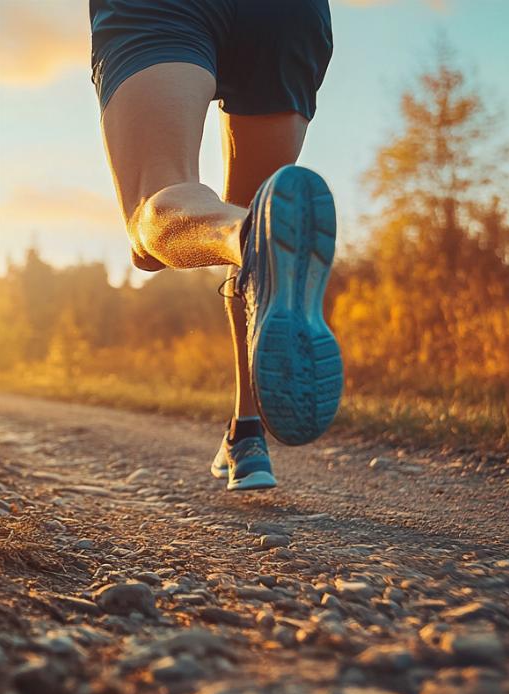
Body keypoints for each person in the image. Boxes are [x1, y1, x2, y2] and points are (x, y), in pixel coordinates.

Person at [90, 0, 343, 491]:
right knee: (257, 210)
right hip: (289, 15)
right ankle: (246, 432)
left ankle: (246, 237)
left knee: (158, 206)